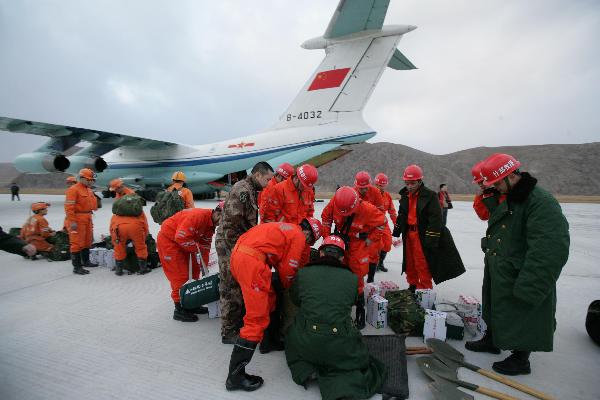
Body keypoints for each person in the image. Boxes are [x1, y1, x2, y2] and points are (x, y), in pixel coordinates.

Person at [474, 153, 569, 376]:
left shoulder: (540, 202)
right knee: (497, 308)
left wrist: (532, 285)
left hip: (521, 272)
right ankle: (493, 340)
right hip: (503, 268)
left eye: (497, 183)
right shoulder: (513, 196)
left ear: (510, 176)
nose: (496, 188)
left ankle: (521, 359)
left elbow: (550, 249)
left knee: (525, 314)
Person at [224, 219, 322, 392]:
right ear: (309, 234)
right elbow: (287, 271)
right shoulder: (299, 236)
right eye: (310, 241)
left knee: (269, 299)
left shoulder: (285, 228)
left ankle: (270, 341)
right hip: (252, 263)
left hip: (240, 257)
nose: (307, 244)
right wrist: (290, 288)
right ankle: (235, 377)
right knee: (256, 320)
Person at [285, 235, 387, 399]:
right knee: (355, 346)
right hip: (339, 344)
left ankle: (308, 367)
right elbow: (351, 302)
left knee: (293, 332)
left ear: (321, 253)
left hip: (307, 343)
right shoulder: (352, 278)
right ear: (341, 257)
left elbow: (296, 299)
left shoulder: (303, 273)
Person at [216, 161, 274, 344]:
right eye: (267, 179)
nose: (269, 183)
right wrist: (240, 251)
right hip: (229, 245)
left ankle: (235, 323)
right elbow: (232, 225)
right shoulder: (243, 190)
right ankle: (228, 331)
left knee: (237, 286)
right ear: (257, 175)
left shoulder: (250, 190)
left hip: (236, 244)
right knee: (230, 288)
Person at [321, 186, 385, 329]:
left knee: (357, 276)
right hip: (340, 241)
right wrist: (328, 239)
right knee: (335, 272)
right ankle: (338, 307)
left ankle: (360, 311)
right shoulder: (335, 202)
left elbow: (382, 223)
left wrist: (371, 239)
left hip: (357, 244)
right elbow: (326, 218)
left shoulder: (367, 209)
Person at [157, 203, 223, 322]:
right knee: (180, 276)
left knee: (194, 272)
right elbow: (180, 237)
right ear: (218, 213)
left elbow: (205, 247)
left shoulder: (210, 225)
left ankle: (191, 302)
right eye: (224, 220)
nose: (222, 224)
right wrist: (196, 248)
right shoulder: (196, 216)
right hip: (170, 242)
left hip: (188, 243)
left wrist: (204, 268)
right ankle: (179, 309)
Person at [393, 165, 441, 291]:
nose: (409, 186)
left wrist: (431, 239)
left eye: (412, 183)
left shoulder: (430, 196)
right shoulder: (405, 195)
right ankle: (412, 285)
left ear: (420, 181)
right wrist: (397, 230)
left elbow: (436, 219)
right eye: (407, 183)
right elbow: (402, 214)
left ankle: (425, 290)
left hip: (422, 235)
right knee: (409, 262)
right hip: (408, 234)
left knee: (422, 263)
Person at [109, 179, 150, 276]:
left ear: (119, 187)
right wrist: (145, 231)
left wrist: (113, 233)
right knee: (140, 246)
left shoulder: (130, 197)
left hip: (119, 226)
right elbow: (142, 217)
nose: (115, 191)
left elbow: (113, 219)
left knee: (119, 247)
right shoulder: (127, 196)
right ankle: (143, 268)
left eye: (115, 189)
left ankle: (119, 269)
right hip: (135, 227)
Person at [65, 168, 99, 275]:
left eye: (92, 180)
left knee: (87, 241)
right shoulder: (73, 189)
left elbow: (93, 204)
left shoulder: (88, 190)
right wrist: (72, 221)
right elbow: (69, 207)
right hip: (77, 219)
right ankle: (77, 267)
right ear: (82, 178)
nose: (91, 182)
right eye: (89, 180)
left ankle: (86, 261)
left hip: (87, 217)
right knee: (76, 243)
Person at [353, 171, 385, 282]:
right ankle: (356, 282)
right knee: (356, 258)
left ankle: (370, 280)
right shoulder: (352, 193)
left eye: (366, 187)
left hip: (372, 231)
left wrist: (372, 238)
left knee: (373, 256)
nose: (364, 190)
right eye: (361, 188)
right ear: (356, 185)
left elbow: (381, 217)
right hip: (358, 232)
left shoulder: (375, 192)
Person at [374, 173, 397, 272]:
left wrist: (397, 224)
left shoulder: (387, 196)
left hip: (383, 223)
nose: (380, 187)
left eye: (382, 186)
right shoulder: (371, 195)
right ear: (375, 184)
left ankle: (381, 263)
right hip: (372, 223)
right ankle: (374, 263)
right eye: (378, 185)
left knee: (387, 243)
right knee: (376, 244)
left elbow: (392, 212)